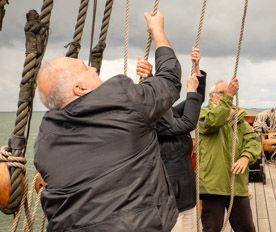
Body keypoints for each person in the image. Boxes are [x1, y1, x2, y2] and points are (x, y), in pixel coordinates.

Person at [34, 12, 181, 232]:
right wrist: (157, 31)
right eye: (86, 68)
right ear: (80, 88)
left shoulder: (44, 144)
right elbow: (169, 80)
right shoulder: (123, 98)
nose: (93, 68)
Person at [137, 47, 206, 232]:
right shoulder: (154, 117)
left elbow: (196, 101)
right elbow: (187, 123)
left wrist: (197, 69)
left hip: (186, 195)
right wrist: (190, 90)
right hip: (170, 202)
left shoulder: (169, 111)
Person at [198, 79, 262, 232]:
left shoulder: (238, 119)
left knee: (246, 228)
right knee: (212, 228)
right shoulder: (203, 115)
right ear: (211, 96)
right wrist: (228, 97)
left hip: (236, 184)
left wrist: (246, 157)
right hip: (213, 184)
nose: (226, 96)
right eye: (222, 93)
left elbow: (254, 140)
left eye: (227, 93)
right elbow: (213, 122)